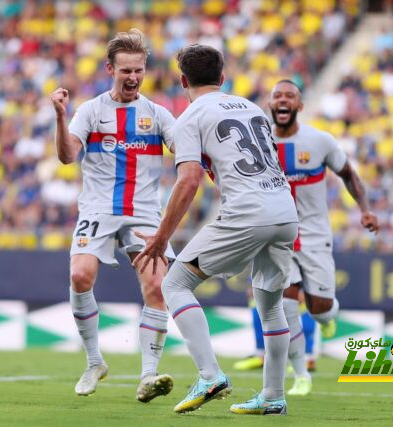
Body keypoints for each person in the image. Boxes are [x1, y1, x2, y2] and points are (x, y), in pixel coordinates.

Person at [134, 44, 299, 416]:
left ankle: (210, 375)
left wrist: (162, 236)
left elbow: (189, 179)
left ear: (182, 81)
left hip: (247, 210)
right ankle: (273, 396)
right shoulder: (252, 107)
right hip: (284, 209)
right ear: (222, 78)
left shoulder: (190, 116)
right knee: (270, 306)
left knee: (174, 284)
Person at [50, 29, 176, 402]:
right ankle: (94, 362)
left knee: (156, 286)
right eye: (126, 71)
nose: (133, 77)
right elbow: (67, 155)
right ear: (110, 69)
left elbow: (182, 150)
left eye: (139, 70)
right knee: (79, 275)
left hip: (143, 214)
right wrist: (60, 116)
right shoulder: (90, 111)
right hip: (98, 210)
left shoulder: (157, 114)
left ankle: (148, 377)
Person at [266, 79, 379, 396]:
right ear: (271, 105)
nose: (283, 100)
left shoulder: (319, 141)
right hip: (277, 237)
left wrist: (365, 209)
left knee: (319, 308)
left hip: (315, 235)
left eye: (290, 96)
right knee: (286, 306)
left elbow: (349, 175)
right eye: (278, 96)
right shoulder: (259, 142)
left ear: (299, 106)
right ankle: (301, 374)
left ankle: (327, 315)